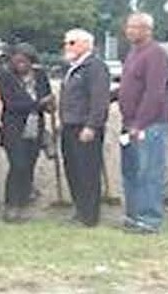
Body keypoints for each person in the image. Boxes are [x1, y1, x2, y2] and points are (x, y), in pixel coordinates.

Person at [118, 12, 168, 234]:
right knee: (130, 171)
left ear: (148, 30)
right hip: (129, 122)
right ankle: (133, 215)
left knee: (149, 171)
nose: (130, 31)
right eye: (129, 27)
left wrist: (139, 123)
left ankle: (149, 219)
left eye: (136, 27)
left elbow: (154, 92)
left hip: (151, 124)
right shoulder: (133, 53)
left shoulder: (156, 54)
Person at [0, 43, 53, 223]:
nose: (21, 63)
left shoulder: (41, 75)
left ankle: (24, 199)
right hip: (13, 128)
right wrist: (38, 104)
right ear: (11, 60)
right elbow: (11, 104)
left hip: (35, 125)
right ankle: (12, 205)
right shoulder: (5, 77)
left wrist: (50, 104)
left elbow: (47, 97)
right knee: (18, 164)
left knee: (29, 164)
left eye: (25, 60)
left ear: (31, 60)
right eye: (17, 59)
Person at [59, 29, 110, 227]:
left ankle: (89, 216)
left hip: (85, 127)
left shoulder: (94, 67)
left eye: (72, 43)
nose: (67, 47)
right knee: (73, 170)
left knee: (87, 171)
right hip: (69, 125)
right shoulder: (73, 67)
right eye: (66, 43)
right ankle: (80, 210)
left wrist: (91, 126)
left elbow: (99, 100)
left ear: (86, 44)